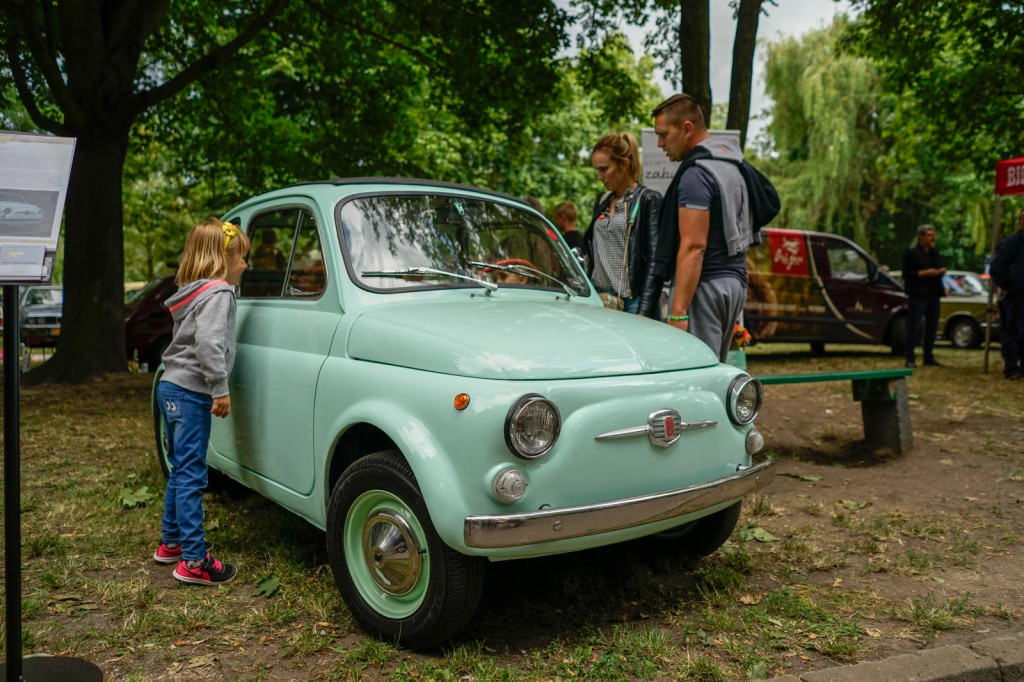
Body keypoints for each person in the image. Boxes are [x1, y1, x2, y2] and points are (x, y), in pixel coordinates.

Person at [153, 218, 250, 585]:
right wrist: (220, 388)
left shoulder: (194, 291)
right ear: (223, 260)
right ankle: (194, 561)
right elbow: (209, 345)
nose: (245, 265)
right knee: (193, 474)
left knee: (181, 469)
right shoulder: (219, 293)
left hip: (170, 387)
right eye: (241, 257)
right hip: (192, 391)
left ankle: (172, 542)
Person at [651, 94, 757, 361]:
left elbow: (693, 247)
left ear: (687, 128)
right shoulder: (733, 166)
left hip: (705, 287)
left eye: (664, 134)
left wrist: (677, 314)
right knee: (715, 371)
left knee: (696, 375)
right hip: (734, 282)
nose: (660, 143)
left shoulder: (696, 175)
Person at [583, 132, 664, 318]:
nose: (599, 176)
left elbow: (655, 261)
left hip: (632, 300)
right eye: (597, 170)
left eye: (604, 169)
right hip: (601, 298)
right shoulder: (601, 201)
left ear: (624, 164)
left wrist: (644, 309)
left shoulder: (648, 200)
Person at [901, 224, 946, 368]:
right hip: (918, 294)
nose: (932, 238)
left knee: (932, 326)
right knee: (914, 326)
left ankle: (928, 355)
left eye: (933, 235)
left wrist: (940, 271)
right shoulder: (911, 253)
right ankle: (910, 357)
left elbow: (940, 265)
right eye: (929, 235)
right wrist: (926, 273)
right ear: (920, 237)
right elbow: (907, 273)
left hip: (933, 293)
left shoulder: (934, 253)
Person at [991, 209, 1024, 380]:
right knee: (1013, 332)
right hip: (1015, 296)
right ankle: (1011, 368)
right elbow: (996, 269)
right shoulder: (1010, 244)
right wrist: (1008, 286)